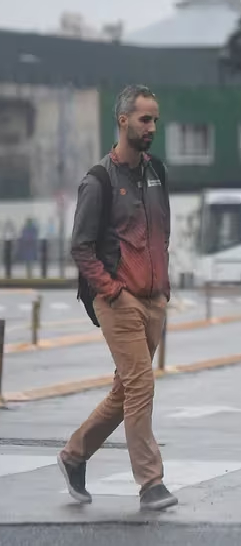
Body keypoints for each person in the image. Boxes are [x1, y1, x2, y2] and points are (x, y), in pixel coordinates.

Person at [58, 84, 177, 511]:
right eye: (145, 119)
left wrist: (163, 285)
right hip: (118, 300)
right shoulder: (99, 180)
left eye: (155, 120)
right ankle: (151, 482)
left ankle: (74, 454)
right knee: (141, 384)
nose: (152, 127)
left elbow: (162, 233)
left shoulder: (156, 171)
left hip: (154, 299)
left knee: (124, 391)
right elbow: (81, 246)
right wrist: (110, 291)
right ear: (123, 120)